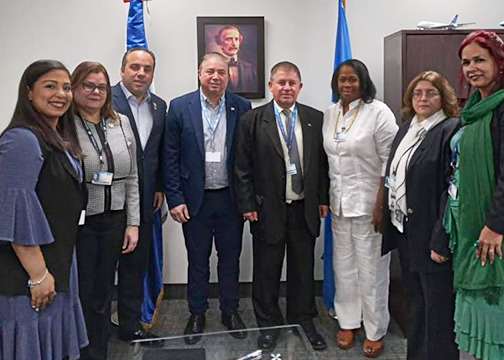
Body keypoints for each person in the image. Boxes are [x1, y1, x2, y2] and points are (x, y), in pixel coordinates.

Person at [234, 61, 329, 351]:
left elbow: (322, 165)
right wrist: (247, 204)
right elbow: (241, 167)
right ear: (271, 86)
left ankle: (304, 320)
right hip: (266, 209)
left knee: (303, 269)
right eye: (281, 82)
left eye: (292, 83)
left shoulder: (315, 118)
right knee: (267, 271)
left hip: (304, 208)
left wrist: (323, 198)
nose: (287, 88)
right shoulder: (252, 120)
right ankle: (268, 324)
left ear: (300, 87)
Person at [0, 60, 88, 360]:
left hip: (58, 260)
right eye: (50, 86)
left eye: (65, 87)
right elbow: (14, 212)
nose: (60, 94)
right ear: (29, 92)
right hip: (30, 274)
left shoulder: (58, 139)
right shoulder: (21, 140)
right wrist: (38, 275)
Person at [164, 52, 252, 344]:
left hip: (230, 199)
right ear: (199, 74)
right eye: (209, 71)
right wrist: (175, 198)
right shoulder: (179, 107)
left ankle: (230, 310)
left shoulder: (241, 107)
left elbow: (247, 158)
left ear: (229, 75)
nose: (215, 77)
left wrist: (248, 200)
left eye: (221, 72)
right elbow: (171, 157)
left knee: (230, 260)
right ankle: (197, 313)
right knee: (197, 260)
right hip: (194, 200)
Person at [382, 71, 460, 360]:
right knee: (416, 305)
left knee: (437, 313)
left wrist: (441, 240)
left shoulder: (450, 130)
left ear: (444, 98)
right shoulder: (407, 128)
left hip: (433, 238)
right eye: (418, 93)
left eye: (431, 93)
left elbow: (452, 192)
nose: (423, 98)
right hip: (406, 232)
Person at [323, 59, 397, 357]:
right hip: (339, 204)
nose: (346, 85)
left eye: (352, 79)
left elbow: (390, 163)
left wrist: (381, 204)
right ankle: (348, 321)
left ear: (363, 82)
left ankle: (375, 328)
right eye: (342, 80)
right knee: (343, 266)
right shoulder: (330, 114)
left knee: (372, 269)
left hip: (370, 205)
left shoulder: (378, 113)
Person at [71, 61, 140, 360]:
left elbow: (133, 175)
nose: (96, 92)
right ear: (75, 88)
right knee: (82, 291)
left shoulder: (121, 122)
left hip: (115, 219)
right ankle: (79, 350)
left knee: (102, 291)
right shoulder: (63, 124)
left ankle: (99, 351)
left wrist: (133, 222)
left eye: (101, 86)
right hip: (80, 223)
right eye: (88, 85)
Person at [444, 30, 504, 360]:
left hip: (494, 231)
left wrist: (495, 226)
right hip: (471, 227)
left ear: (499, 61)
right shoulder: (476, 108)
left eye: (480, 59)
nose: (471, 68)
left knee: (493, 310)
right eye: (466, 62)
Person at [112, 47, 167, 343]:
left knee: (135, 268)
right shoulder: (104, 99)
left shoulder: (159, 105)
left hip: (145, 202)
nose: (140, 73)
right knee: (101, 271)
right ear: (122, 70)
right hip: (107, 202)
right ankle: (92, 329)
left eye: (147, 68)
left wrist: (159, 186)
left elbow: (156, 153)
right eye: (134, 67)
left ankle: (130, 325)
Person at [215, 25, 257, 93]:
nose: (234, 43)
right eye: (229, 39)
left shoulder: (250, 68)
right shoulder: (214, 69)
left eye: (236, 39)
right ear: (220, 42)